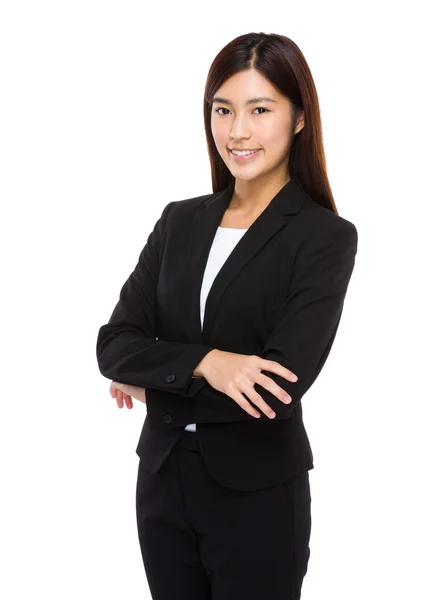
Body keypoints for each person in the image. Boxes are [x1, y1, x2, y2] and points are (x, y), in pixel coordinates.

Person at [96, 31, 358, 600]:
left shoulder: (323, 238)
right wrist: (208, 363)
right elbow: (113, 345)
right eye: (223, 109)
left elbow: (276, 388)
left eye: (259, 110)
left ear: (298, 119)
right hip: (163, 486)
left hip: (257, 495)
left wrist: (154, 385)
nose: (236, 131)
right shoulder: (179, 222)